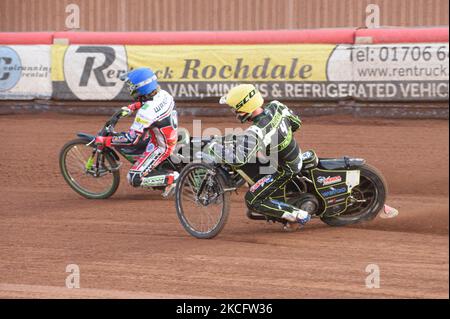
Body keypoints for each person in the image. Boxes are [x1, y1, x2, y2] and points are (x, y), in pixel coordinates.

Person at [206, 84, 310, 229]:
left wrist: (216, 149)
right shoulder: (277, 106)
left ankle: (298, 215)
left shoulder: (256, 131)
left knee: (252, 200)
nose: (234, 112)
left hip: (284, 169)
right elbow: (296, 124)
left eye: (235, 108)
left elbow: (238, 160)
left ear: (244, 108)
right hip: (293, 155)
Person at [95, 67, 178, 197]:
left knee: (133, 178)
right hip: (166, 134)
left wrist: (106, 140)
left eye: (131, 85)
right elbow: (149, 103)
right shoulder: (163, 94)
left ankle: (174, 178)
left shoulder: (145, 112)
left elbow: (131, 139)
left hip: (160, 146)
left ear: (142, 87)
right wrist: (132, 107)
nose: (129, 88)